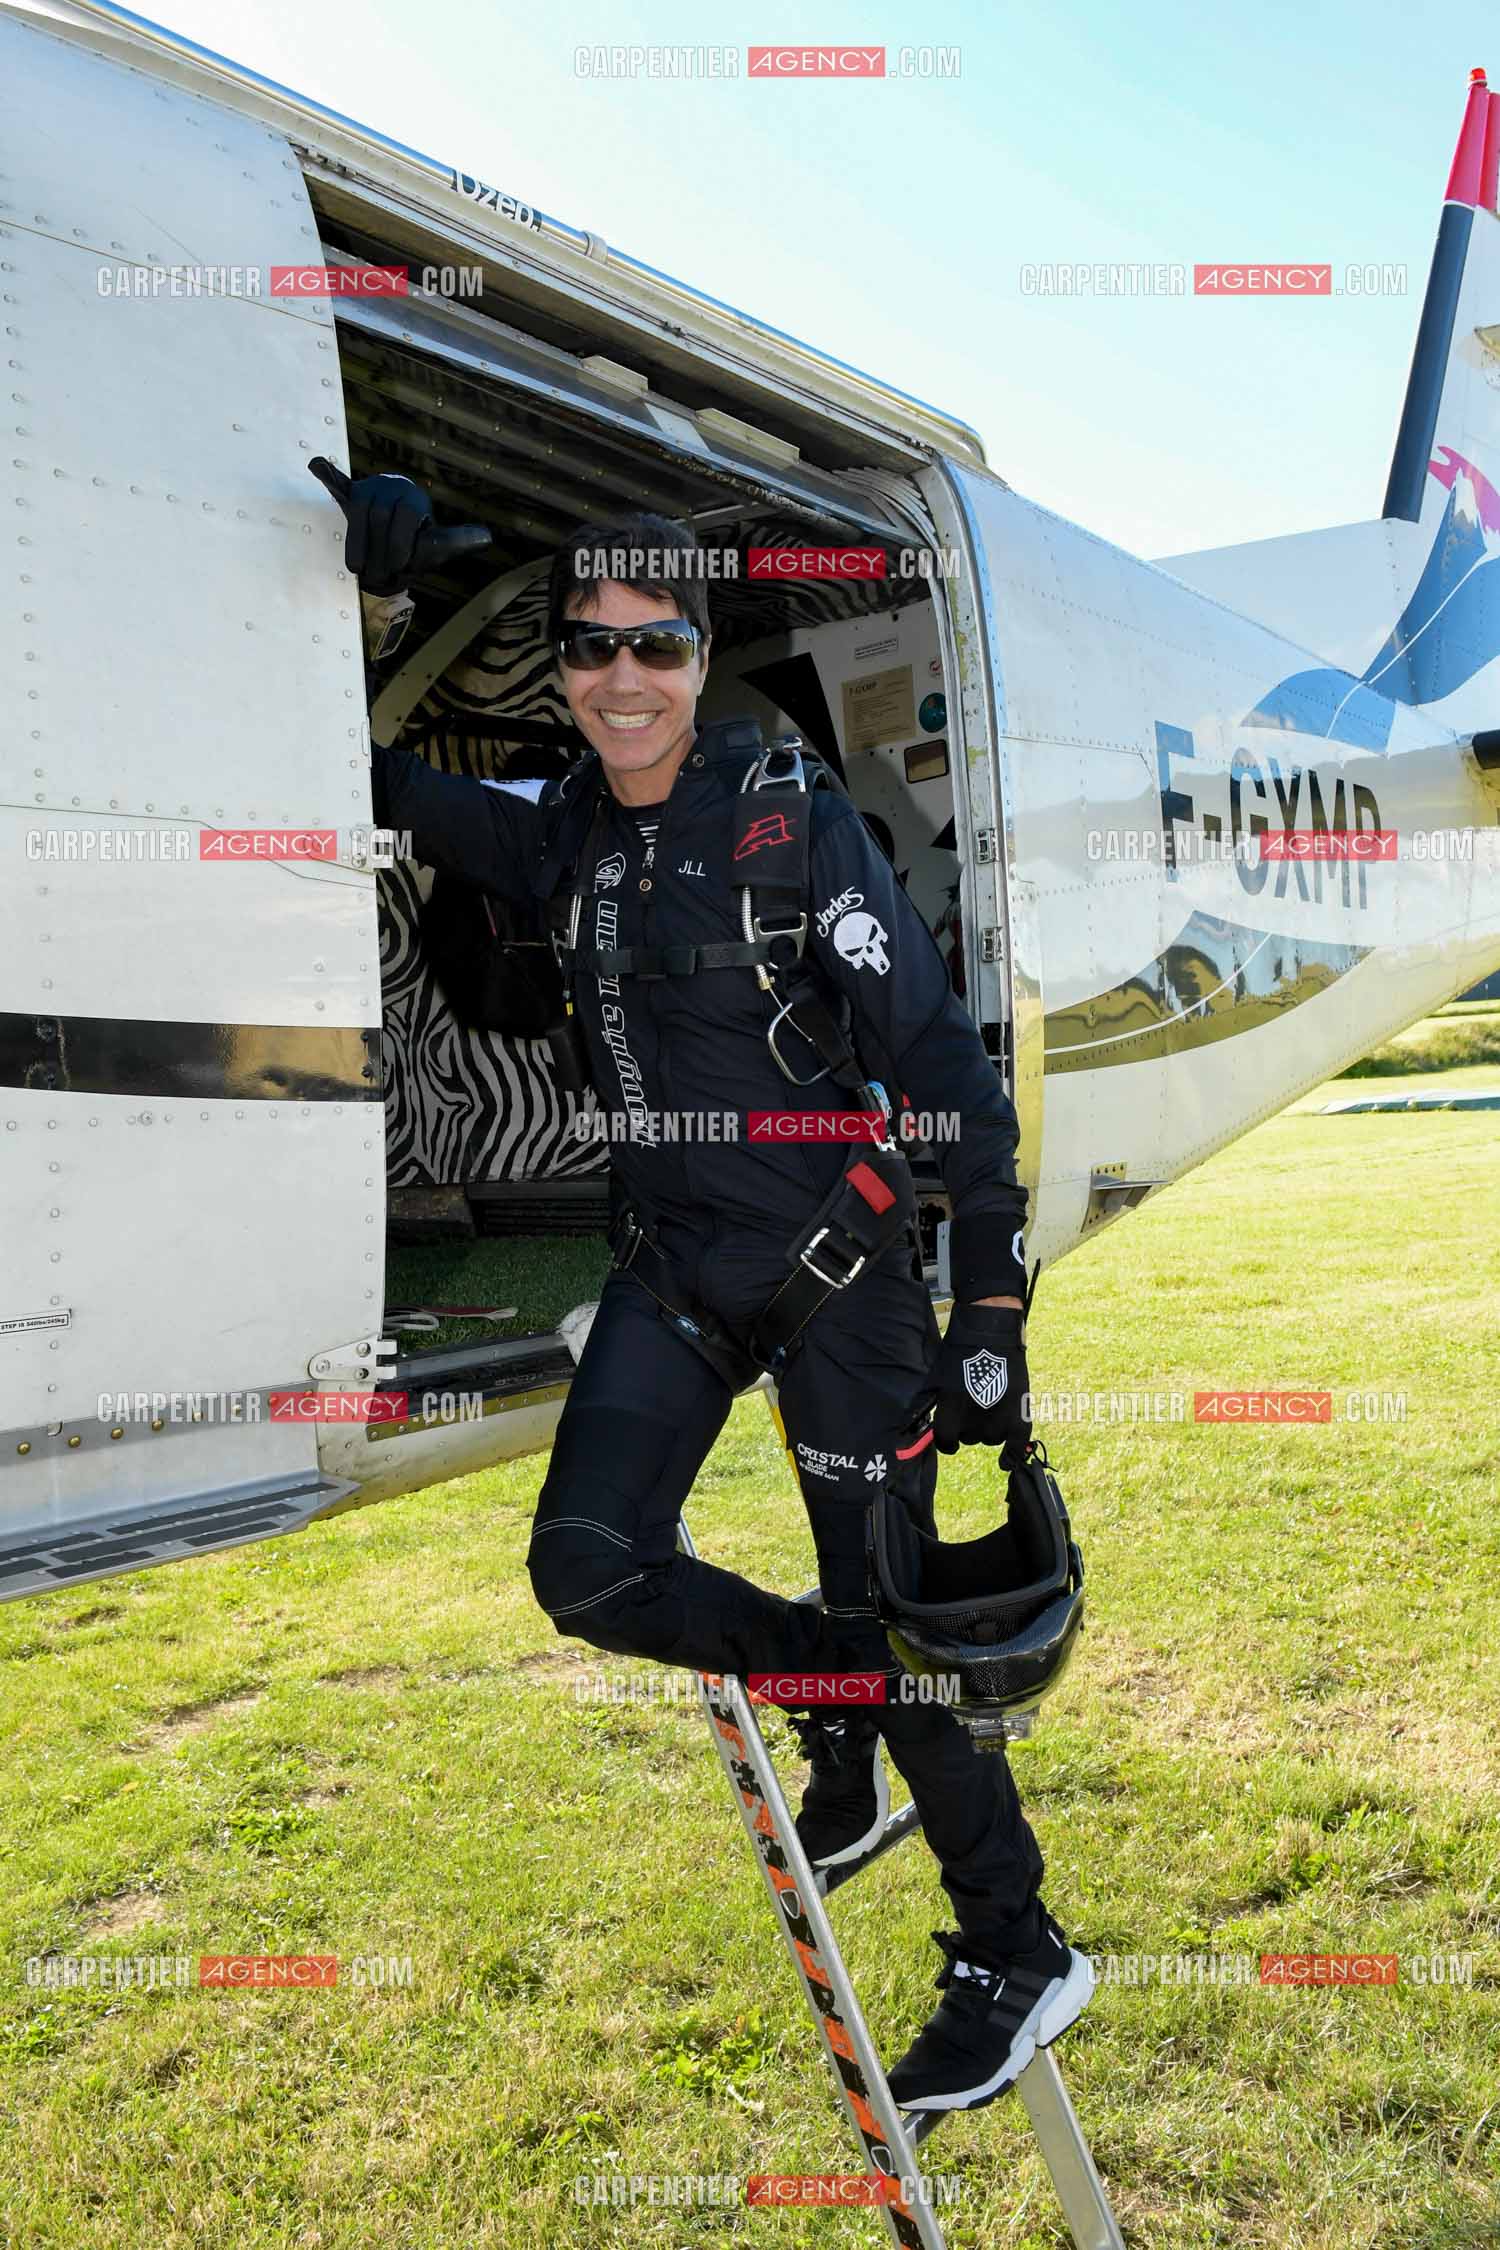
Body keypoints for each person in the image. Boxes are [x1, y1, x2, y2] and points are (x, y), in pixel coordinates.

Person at [322, 464, 1094, 2111]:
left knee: (905, 1632)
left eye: (656, 644)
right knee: (589, 1567)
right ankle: (832, 1668)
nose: (621, 678)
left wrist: (993, 1309)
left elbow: (943, 1063)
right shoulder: (559, 840)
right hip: (679, 1275)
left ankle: (1016, 1943)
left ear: (697, 651)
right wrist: (369, 610)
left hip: (840, 1273)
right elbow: (362, 777)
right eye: (587, 648)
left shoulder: (787, 818)